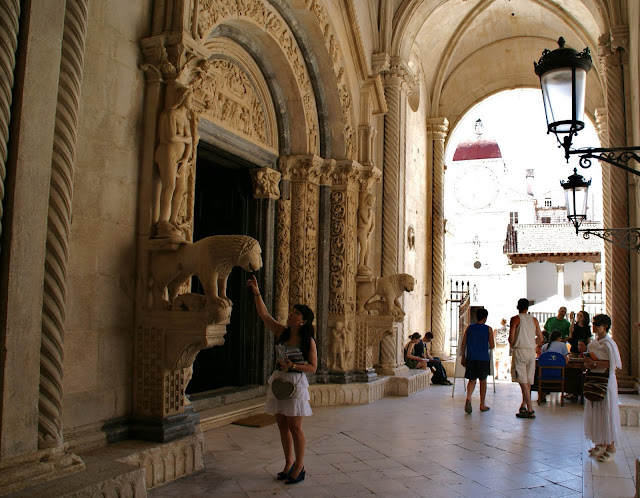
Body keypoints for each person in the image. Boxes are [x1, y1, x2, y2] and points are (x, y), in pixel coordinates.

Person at [246, 275, 317, 484]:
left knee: (295, 426)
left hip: (295, 383)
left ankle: (300, 466)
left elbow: (313, 367)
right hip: (279, 381)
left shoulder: (308, 341)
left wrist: (293, 365)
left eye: (296, 313)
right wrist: (257, 293)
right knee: (282, 424)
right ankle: (288, 462)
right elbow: (264, 315)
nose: (291, 315)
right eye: (292, 311)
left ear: (303, 320)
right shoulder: (282, 332)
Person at [154, 86, 195, 239]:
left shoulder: (185, 119)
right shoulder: (171, 114)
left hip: (180, 159)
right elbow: (170, 137)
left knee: (180, 189)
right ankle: (162, 221)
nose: (192, 101)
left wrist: (185, 159)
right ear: (183, 98)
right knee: (169, 185)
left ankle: (172, 219)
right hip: (167, 153)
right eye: (190, 98)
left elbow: (190, 143)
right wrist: (186, 139)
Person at [583, 314, 622, 463]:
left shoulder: (609, 343)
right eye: (593, 323)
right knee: (595, 412)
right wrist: (589, 363)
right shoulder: (593, 343)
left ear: (605, 326)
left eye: (597, 324)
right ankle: (600, 442)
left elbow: (613, 364)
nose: (594, 326)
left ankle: (611, 447)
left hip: (606, 381)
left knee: (606, 412)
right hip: (594, 379)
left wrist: (596, 363)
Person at [510, 298, 543, 419]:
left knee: (523, 381)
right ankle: (523, 405)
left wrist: (514, 343)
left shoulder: (515, 319)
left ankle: (530, 409)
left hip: (520, 350)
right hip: (531, 351)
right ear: (527, 307)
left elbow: (511, 338)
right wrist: (531, 342)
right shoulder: (534, 320)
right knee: (528, 381)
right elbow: (540, 338)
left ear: (517, 307)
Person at [460, 308, 494, 413]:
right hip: (483, 358)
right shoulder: (488, 329)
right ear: (485, 318)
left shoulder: (469, 328)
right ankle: (482, 404)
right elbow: (492, 345)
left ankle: (469, 397)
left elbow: (463, 343)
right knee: (483, 381)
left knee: (472, 380)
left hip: (470, 358)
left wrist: (463, 357)